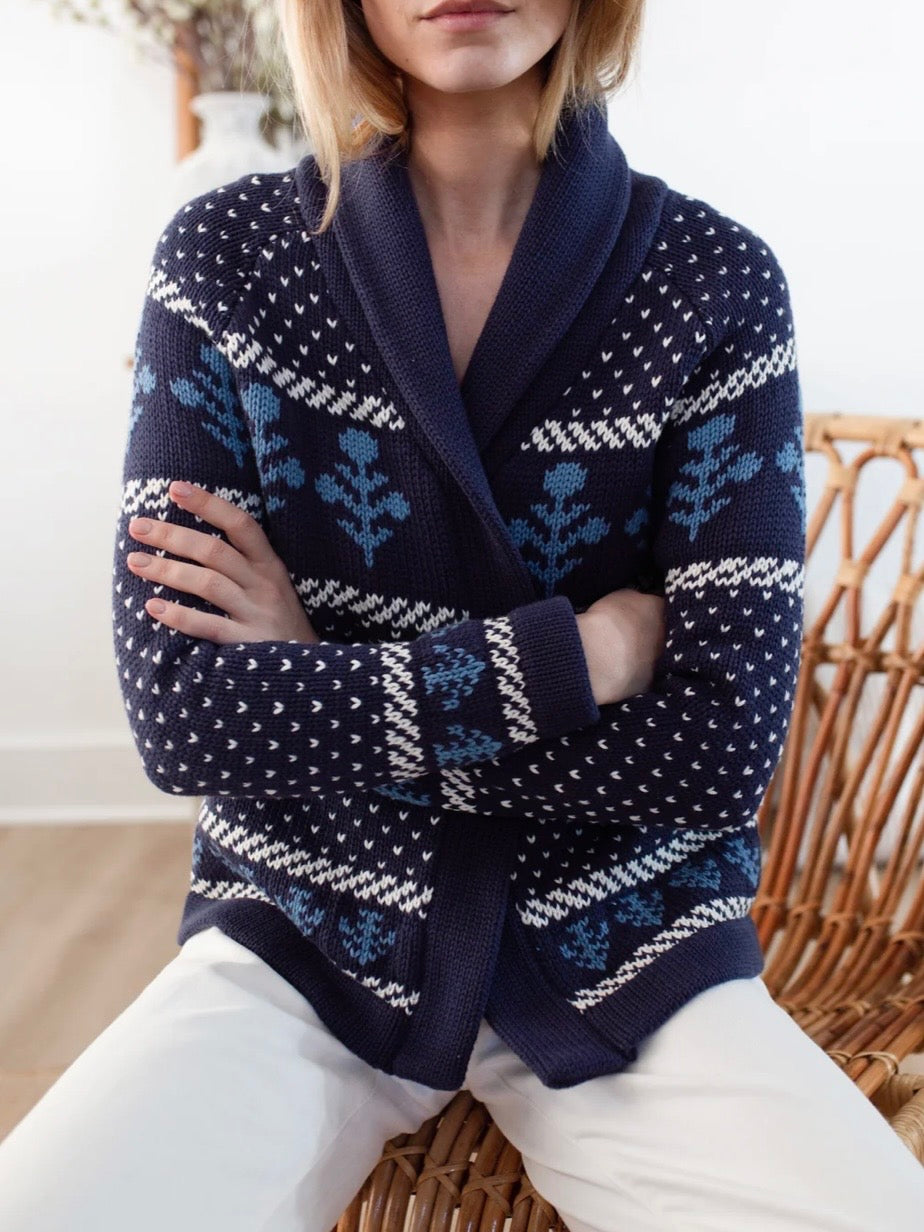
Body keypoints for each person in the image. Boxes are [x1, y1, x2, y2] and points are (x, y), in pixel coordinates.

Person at [2, 2, 923, 1229]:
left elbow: (720, 749)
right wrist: (581, 653)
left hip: (630, 948)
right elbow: (188, 719)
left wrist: (317, 678)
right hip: (307, 931)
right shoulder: (226, 261)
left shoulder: (715, 284)